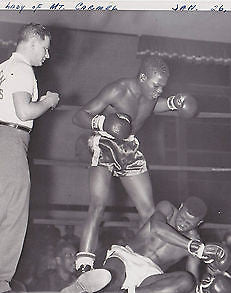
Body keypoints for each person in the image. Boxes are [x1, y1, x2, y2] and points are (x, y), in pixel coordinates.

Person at [72, 56, 198, 272]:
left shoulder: (151, 94)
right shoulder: (118, 90)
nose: (159, 91)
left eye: (163, 87)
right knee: (98, 204)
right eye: (156, 85)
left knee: (149, 212)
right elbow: (79, 116)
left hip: (130, 148)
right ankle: (84, 267)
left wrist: (172, 103)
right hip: (106, 145)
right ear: (142, 77)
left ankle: (140, 265)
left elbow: (149, 106)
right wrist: (103, 122)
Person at [0, 23, 60, 293]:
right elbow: (24, 110)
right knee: (13, 213)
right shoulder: (23, 70)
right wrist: (49, 101)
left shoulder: (2, 68)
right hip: (9, 140)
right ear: (32, 42)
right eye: (45, 48)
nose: (47, 55)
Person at [59, 197, 231, 293]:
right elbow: (157, 228)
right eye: (182, 217)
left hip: (150, 276)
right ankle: (87, 287)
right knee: (111, 276)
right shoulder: (167, 208)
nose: (183, 223)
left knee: (186, 281)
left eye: (189, 223)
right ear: (180, 208)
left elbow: (191, 279)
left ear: (199, 224)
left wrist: (207, 285)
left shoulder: (196, 241)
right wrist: (193, 247)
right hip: (126, 257)